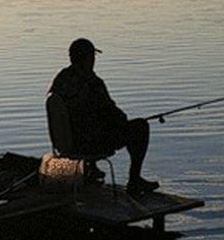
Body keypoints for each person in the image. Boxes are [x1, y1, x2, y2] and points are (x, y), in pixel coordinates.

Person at [48, 38, 159, 194]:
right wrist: (123, 120)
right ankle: (134, 180)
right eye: (92, 57)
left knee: (91, 124)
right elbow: (115, 115)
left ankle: (90, 169)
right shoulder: (93, 84)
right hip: (90, 144)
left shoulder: (61, 79)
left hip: (66, 144)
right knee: (140, 127)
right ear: (88, 59)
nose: (94, 61)